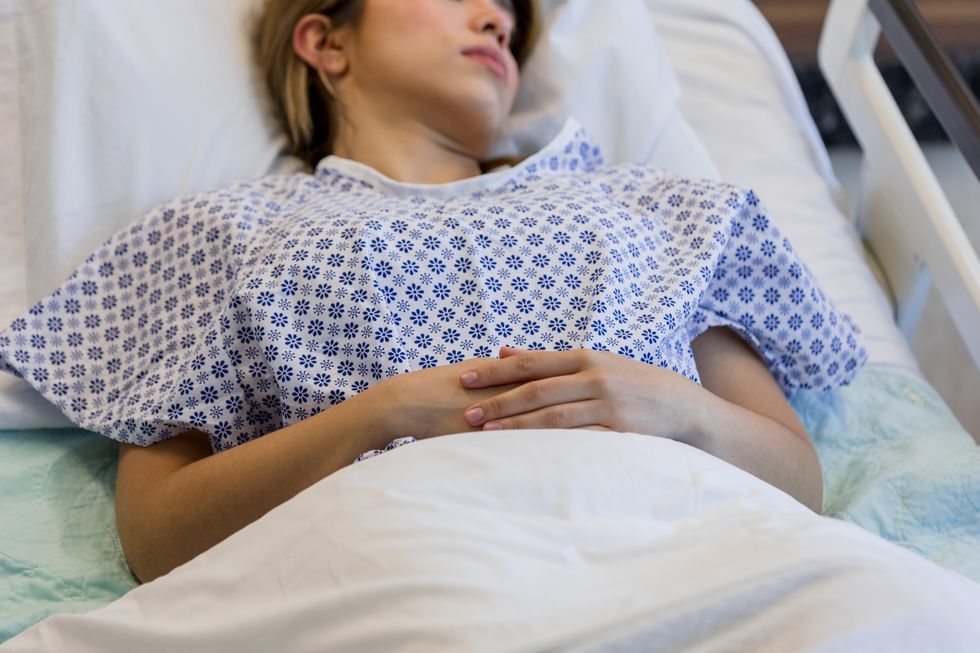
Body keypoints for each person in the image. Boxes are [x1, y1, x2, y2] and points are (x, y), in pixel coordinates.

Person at [0, 0, 867, 584]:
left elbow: (800, 482)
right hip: (386, 583)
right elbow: (158, 537)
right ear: (325, 42)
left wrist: (679, 407)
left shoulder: (652, 204)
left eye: (510, 14)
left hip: (670, 564)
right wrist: (381, 414)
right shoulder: (218, 235)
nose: (497, 15)